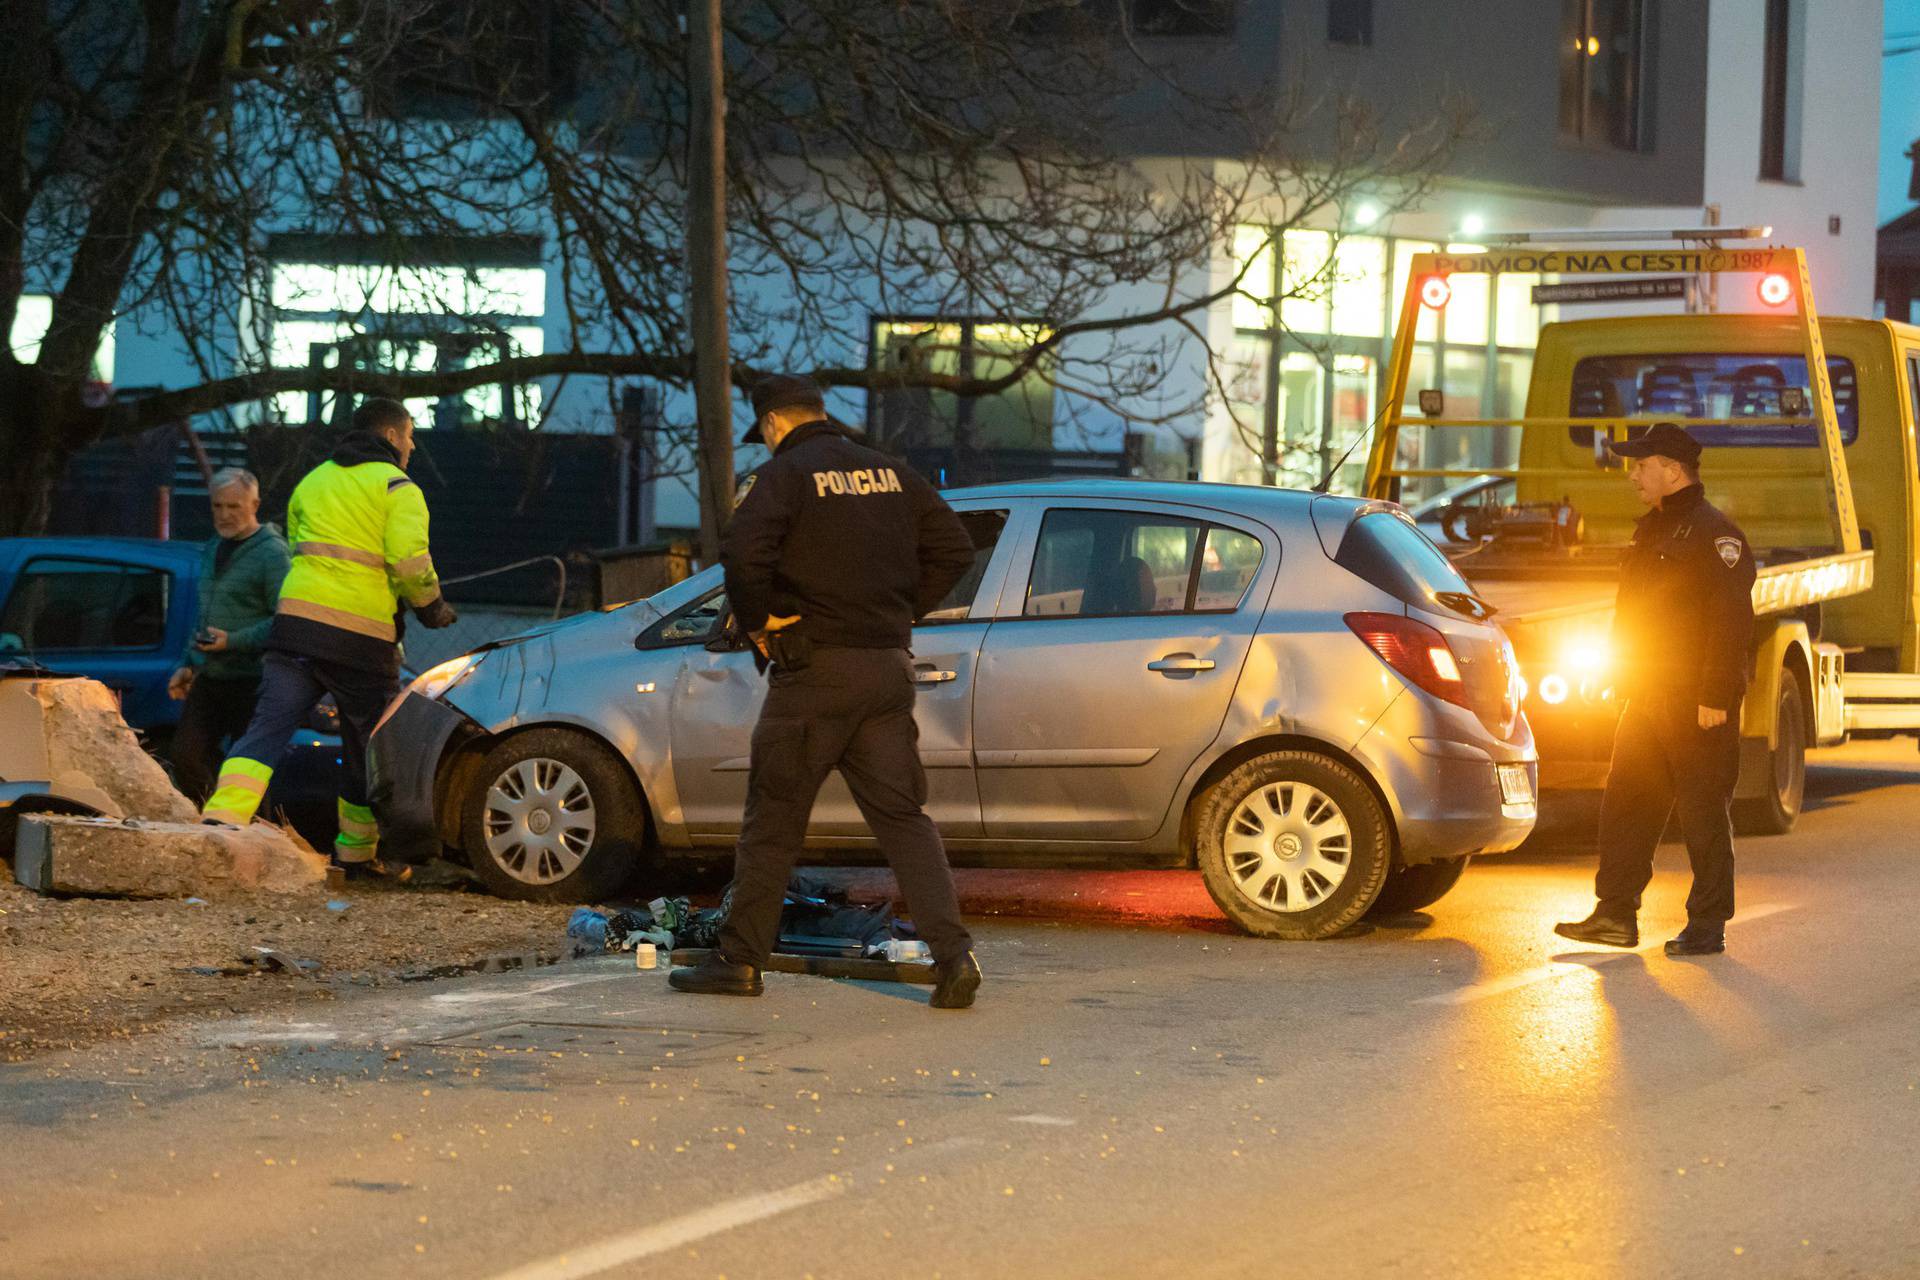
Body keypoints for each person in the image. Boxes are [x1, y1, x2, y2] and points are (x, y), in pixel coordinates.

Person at [668, 374, 983, 1008]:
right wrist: (898, 612)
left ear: (776, 425)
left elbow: (743, 555)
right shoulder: (892, 473)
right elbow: (954, 547)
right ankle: (954, 959)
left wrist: (759, 626)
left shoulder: (784, 477)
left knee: (773, 822)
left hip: (813, 675)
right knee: (904, 821)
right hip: (886, 670)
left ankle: (739, 961)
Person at [201, 399, 456, 872]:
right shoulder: (398, 487)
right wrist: (432, 607)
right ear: (393, 436)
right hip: (360, 640)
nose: (413, 445)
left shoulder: (314, 481)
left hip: (295, 629)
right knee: (366, 748)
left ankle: (221, 820)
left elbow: (301, 545)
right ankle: (357, 857)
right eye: (411, 435)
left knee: (268, 726)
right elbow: (409, 562)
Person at [1555, 423, 1756, 957]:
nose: (1633, 476)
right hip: (1645, 695)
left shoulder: (1717, 537)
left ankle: (1708, 925)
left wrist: (1716, 695)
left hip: (1694, 702)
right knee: (1626, 805)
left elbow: (1731, 623)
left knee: (1702, 814)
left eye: (1641, 467)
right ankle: (1615, 915)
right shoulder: (1653, 530)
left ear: (1671, 470)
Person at [166, 469, 291, 802]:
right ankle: (219, 825)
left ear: (255, 504)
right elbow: (205, 614)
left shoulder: (273, 554)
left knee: (246, 772)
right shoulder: (214, 546)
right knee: (185, 758)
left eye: (233, 506)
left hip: (252, 680)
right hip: (211, 675)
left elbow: (285, 620)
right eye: (217, 506)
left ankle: (254, 836)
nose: (224, 515)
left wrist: (233, 641)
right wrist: (188, 664)